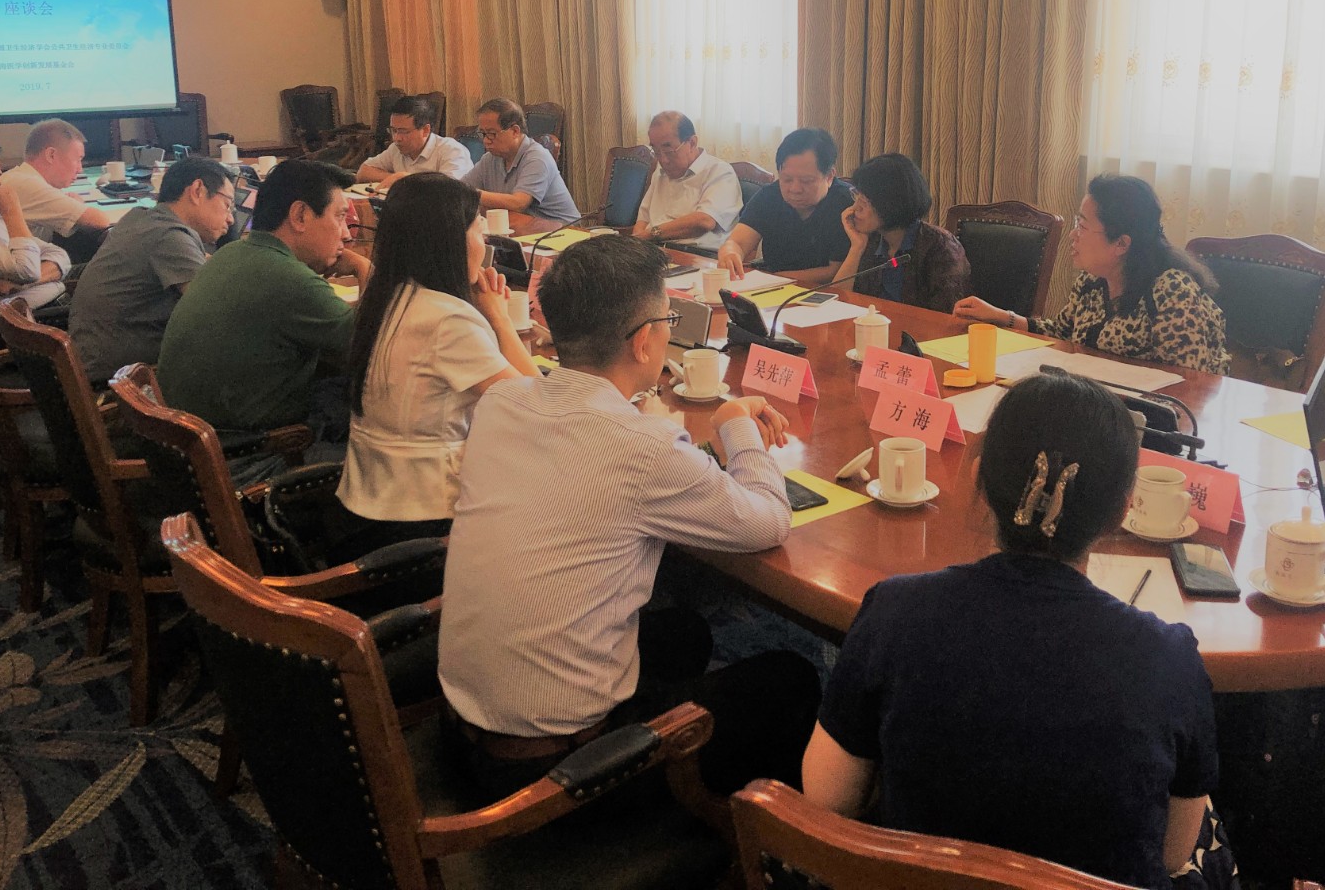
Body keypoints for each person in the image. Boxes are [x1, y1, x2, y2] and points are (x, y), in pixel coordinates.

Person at [802, 372, 1235, 890]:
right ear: (1122, 509)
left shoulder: (894, 611)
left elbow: (827, 797)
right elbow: (1171, 853)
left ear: (978, 480)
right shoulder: (1169, 660)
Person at [440, 234, 819, 801]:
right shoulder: (640, 448)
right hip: (559, 779)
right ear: (644, 341)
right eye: (667, 319)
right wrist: (736, 423)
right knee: (790, 678)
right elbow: (768, 522)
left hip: (460, 733)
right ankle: (757, 833)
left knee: (684, 632)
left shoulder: (501, 403)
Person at [330, 174, 537, 560]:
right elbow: (539, 407)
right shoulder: (447, 319)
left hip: (365, 511)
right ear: (449, 240)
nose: (484, 243)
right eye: (478, 229)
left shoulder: (387, 296)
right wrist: (499, 317)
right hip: (421, 534)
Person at [158, 160, 370, 442]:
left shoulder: (231, 253)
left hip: (185, 437)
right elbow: (373, 349)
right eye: (340, 217)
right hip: (247, 450)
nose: (346, 233)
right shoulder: (292, 281)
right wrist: (366, 270)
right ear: (300, 215)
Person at [954, 173, 1230, 374]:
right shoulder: (1093, 279)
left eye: (1083, 226)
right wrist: (1003, 317)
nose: (1073, 235)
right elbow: (1062, 331)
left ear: (1121, 243)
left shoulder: (1173, 290)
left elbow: (1191, 380)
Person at [68, 157, 234, 386]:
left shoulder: (140, 217)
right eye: (227, 205)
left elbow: (203, 262)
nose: (231, 218)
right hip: (123, 382)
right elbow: (218, 312)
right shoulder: (169, 236)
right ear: (197, 191)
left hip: (94, 359)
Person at [831, 152, 970, 314]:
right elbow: (837, 304)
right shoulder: (871, 239)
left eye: (865, 202)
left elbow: (949, 315)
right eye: (856, 197)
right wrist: (856, 248)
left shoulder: (940, 247)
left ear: (891, 203)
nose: (855, 209)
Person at [716, 127, 854, 281]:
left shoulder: (846, 203)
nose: (795, 189)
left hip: (824, 291)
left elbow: (836, 270)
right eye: (787, 179)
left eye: (806, 181)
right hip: (774, 286)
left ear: (829, 177)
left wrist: (777, 279)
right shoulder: (769, 196)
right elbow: (738, 243)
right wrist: (730, 252)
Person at [0, 134, 70, 316]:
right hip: (21, 324)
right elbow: (27, 270)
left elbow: (59, 256)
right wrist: (11, 211)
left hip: (50, 307)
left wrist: (17, 284)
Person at [630, 110, 742, 251]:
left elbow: (704, 221)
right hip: (655, 249)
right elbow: (643, 219)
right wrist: (637, 244)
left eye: (669, 151)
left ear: (692, 143)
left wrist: (652, 234)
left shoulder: (719, 172)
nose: (663, 160)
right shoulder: (659, 172)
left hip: (697, 255)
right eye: (656, 152)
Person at [460, 97, 578, 224]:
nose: (485, 141)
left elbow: (519, 203)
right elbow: (461, 188)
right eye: (482, 134)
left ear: (515, 131)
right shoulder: (489, 159)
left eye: (491, 134)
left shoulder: (537, 157)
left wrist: (471, 194)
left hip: (562, 231)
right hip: (521, 229)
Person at [1, 118, 114, 242]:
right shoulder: (28, 185)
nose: (80, 169)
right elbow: (100, 220)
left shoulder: (19, 177)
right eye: (77, 159)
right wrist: (78, 205)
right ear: (51, 155)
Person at [355, 94, 472, 189]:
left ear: (425, 130)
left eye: (403, 131)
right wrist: (396, 178)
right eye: (393, 130)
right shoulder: (396, 148)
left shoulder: (451, 150)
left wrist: (406, 180)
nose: (396, 138)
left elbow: (451, 190)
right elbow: (363, 172)